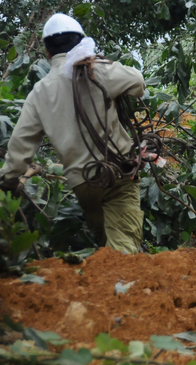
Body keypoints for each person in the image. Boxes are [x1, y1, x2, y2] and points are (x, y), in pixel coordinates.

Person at [0, 13, 145, 254]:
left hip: (83, 185)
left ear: (47, 53)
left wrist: (7, 181)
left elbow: (19, 151)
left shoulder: (39, 93)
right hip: (117, 177)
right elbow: (138, 83)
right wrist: (98, 62)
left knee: (106, 246)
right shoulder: (98, 71)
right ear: (81, 43)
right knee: (122, 254)